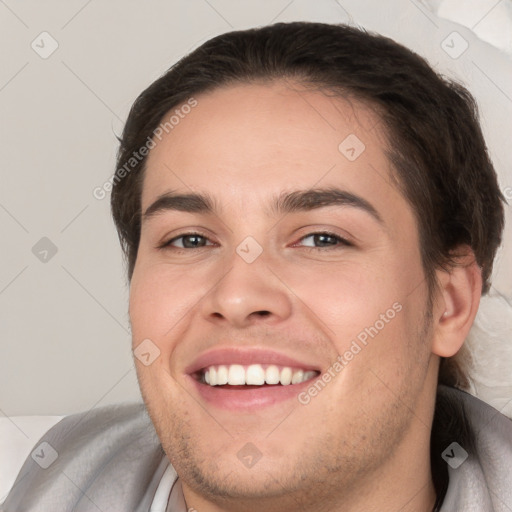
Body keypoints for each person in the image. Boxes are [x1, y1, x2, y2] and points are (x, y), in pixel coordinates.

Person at [4, 21, 510, 512]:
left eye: (320, 238)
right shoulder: (48, 475)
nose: (238, 296)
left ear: (450, 305)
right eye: (190, 239)